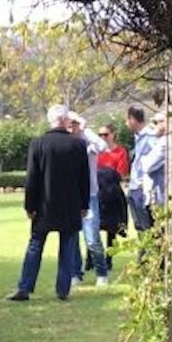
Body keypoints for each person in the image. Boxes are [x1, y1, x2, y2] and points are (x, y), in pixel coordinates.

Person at [7, 104, 90, 302]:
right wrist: (84, 204)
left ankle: (25, 287)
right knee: (67, 247)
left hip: (44, 205)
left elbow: (32, 178)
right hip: (70, 205)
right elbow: (84, 178)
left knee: (35, 246)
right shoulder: (78, 145)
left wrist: (30, 206)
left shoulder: (38, 144)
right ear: (64, 120)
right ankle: (63, 290)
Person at [67, 113, 110, 286]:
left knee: (92, 237)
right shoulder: (66, 143)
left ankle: (102, 272)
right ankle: (75, 273)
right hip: (70, 196)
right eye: (69, 125)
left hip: (89, 195)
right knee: (72, 237)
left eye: (75, 125)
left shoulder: (88, 143)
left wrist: (87, 130)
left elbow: (103, 146)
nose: (72, 128)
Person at [127, 105, 163, 232]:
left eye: (128, 120)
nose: (127, 123)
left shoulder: (149, 137)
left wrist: (143, 182)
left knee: (147, 227)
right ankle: (142, 251)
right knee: (139, 227)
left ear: (132, 119)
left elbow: (157, 159)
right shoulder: (138, 137)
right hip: (133, 186)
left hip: (142, 188)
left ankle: (149, 252)